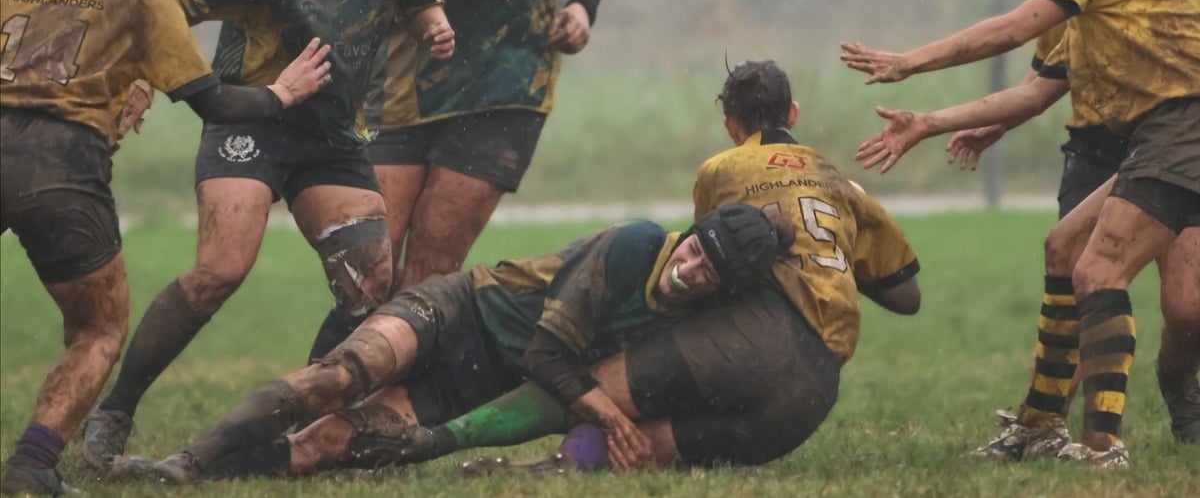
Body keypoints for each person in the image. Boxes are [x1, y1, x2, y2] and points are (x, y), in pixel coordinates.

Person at [310, 58, 922, 474]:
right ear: (794, 113)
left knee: (597, 390)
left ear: (731, 124)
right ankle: (546, 473)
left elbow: (709, 263)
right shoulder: (843, 186)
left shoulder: (726, 168)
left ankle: (432, 443)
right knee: (647, 446)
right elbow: (906, 297)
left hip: (760, 333)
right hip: (816, 388)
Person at [81, 0, 456, 473]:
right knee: (220, 269)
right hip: (248, 121)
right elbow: (171, 6)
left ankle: (309, 424)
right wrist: (143, 76)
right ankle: (116, 408)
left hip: (332, 136)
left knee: (370, 286)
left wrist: (435, 25)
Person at [842, 0, 1199, 466]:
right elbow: (1037, 87)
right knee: (1064, 248)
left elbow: (1010, 29)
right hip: (1157, 132)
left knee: (1102, 272)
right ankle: (1039, 425)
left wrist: (909, 62)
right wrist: (928, 122)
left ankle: (1102, 446)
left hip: (1183, 127)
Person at [0, 0, 333, 496]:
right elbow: (210, 98)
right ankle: (32, 464)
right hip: (58, 166)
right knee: (97, 328)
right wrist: (280, 94)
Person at [103, 203, 785, 482]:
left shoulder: (683, 326)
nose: (689, 266)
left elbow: (558, 396)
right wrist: (609, 417)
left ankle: (215, 472)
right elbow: (550, 356)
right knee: (337, 377)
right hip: (460, 310)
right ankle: (183, 462)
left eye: (708, 271)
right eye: (696, 248)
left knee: (327, 445)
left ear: (723, 286)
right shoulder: (637, 243)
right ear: (690, 231)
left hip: (473, 382)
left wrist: (567, 456)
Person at [944, 0, 1200, 456]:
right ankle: (1048, 425)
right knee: (1072, 259)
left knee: (1185, 307)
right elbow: (1044, 78)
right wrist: (966, 121)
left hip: (1174, 135)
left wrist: (908, 67)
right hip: (1099, 142)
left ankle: (1173, 387)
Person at [364, 0, 614, 297]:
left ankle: (392, 373)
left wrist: (582, 9)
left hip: (506, 94)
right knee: (369, 269)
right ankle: (343, 371)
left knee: (429, 268)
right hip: (405, 97)